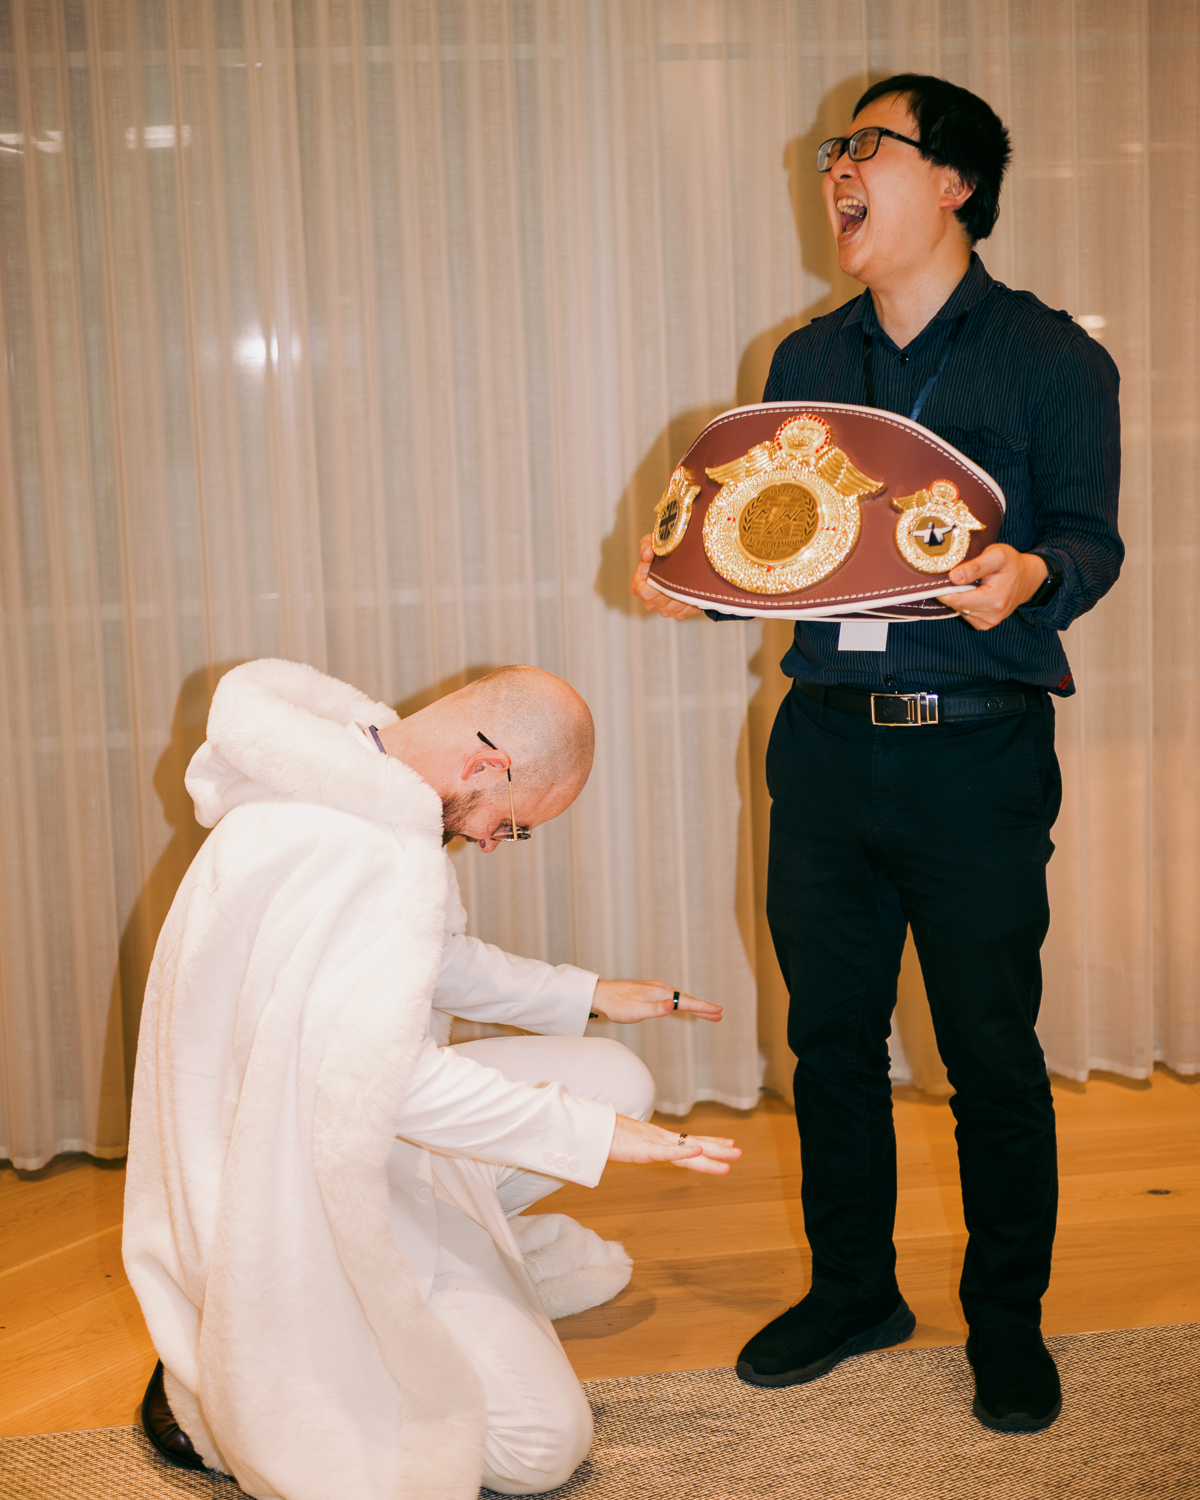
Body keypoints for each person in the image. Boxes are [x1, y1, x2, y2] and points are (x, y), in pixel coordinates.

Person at [632, 74, 1121, 1433]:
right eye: (831, 153)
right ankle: (858, 1288)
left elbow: (1095, 534)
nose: (834, 169)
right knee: (830, 1041)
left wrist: (1035, 570)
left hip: (976, 755)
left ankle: (1007, 1319)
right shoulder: (802, 362)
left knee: (988, 1052)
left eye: (867, 147)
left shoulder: (1051, 359)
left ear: (954, 181)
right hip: (823, 755)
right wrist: (702, 582)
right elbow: (779, 550)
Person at [123, 657, 739, 1500]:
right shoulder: (358, 848)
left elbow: (427, 964)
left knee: (614, 1077)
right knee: (538, 1450)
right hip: (308, 1187)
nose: (493, 842)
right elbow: (391, 1084)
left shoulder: (345, 785)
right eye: (512, 824)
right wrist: (604, 1141)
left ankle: (469, 1262)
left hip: (343, 1127)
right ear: (484, 766)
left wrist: (585, 994)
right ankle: (222, 1368)